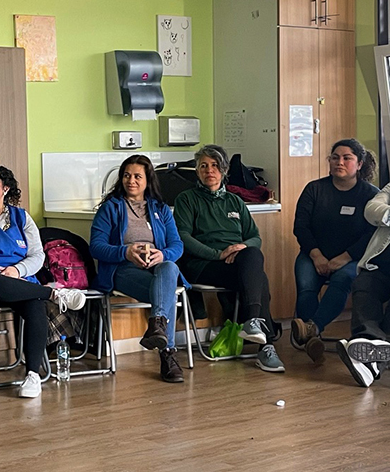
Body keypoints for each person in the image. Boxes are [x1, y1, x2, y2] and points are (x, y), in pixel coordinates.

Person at [0, 165, 85, 398]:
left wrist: (16, 269)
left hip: (20, 281)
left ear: (5, 188)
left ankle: (33, 375)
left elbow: (37, 255)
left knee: (34, 304)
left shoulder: (21, 217)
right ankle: (54, 294)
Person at [173, 145, 285, 373]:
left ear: (224, 170)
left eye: (214, 166)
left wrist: (242, 247)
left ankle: (254, 324)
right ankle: (265, 344)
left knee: (252, 256)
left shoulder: (235, 202)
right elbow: (182, 236)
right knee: (258, 278)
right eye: (203, 166)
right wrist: (218, 254)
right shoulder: (187, 199)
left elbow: (254, 237)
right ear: (197, 171)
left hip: (237, 263)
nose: (209, 171)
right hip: (204, 265)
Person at [90, 155, 187, 383]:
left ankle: (157, 324)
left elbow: (177, 245)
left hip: (157, 268)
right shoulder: (110, 208)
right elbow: (96, 246)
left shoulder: (160, 209)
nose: (131, 181)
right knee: (166, 293)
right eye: (126, 175)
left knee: (169, 267)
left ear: (147, 179)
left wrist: (161, 254)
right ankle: (168, 355)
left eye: (137, 176)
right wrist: (125, 252)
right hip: (123, 269)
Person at [292, 139, 378, 362]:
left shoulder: (370, 195)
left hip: (351, 257)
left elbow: (372, 234)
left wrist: (346, 257)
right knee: (306, 286)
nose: (340, 162)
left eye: (347, 158)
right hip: (313, 254)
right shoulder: (315, 189)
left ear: (359, 164)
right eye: (335, 157)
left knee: (342, 280)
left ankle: (312, 329)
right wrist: (316, 255)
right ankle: (312, 339)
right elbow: (301, 226)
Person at [337, 182, 390, 387]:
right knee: (364, 284)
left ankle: (371, 357)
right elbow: (371, 209)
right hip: (378, 266)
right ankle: (370, 347)